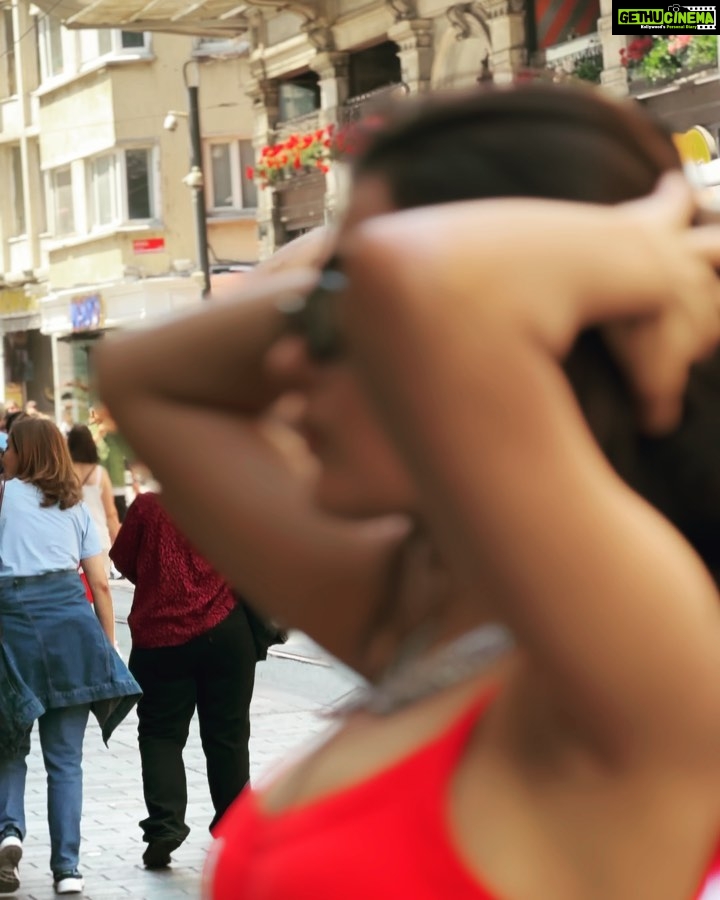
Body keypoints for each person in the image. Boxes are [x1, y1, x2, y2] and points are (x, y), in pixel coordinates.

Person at [95, 84, 720, 899]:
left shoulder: (631, 659)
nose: (286, 363)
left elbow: (418, 279)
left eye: (346, 325)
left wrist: (645, 246)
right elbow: (145, 373)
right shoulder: (427, 618)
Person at [0, 417, 141, 896]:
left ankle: (8, 832)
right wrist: (108, 645)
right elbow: (100, 584)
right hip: (72, 633)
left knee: (8, 745)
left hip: (14, 632)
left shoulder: (1, 497)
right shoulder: (75, 505)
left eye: (9, 447)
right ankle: (68, 870)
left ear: (23, 452)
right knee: (65, 761)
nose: (4, 455)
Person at [109, 489, 257, 870]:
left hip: (161, 637)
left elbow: (123, 559)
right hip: (226, 631)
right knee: (227, 734)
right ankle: (237, 829)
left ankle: (165, 827)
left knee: (160, 733)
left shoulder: (146, 508)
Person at [67, 424, 120, 578]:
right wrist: (117, 543)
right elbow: (111, 514)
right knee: (100, 588)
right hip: (99, 539)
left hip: (71, 538)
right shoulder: (100, 474)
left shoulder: (64, 473)